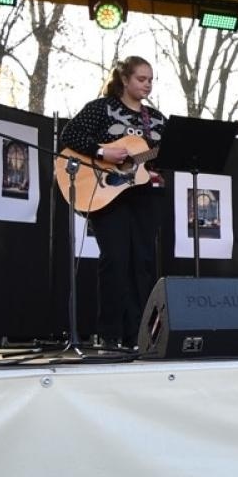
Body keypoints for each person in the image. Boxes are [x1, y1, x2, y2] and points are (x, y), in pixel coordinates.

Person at [59, 55, 168, 350]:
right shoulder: (101, 109)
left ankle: (138, 335)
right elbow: (69, 136)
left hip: (144, 197)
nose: (147, 85)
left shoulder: (156, 119)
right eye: (141, 79)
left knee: (142, 264)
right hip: (108, 196)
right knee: (115, 261)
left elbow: (163, 155)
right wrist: (102, 153)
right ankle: (109, 334)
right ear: (124, 80)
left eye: (150, 80)